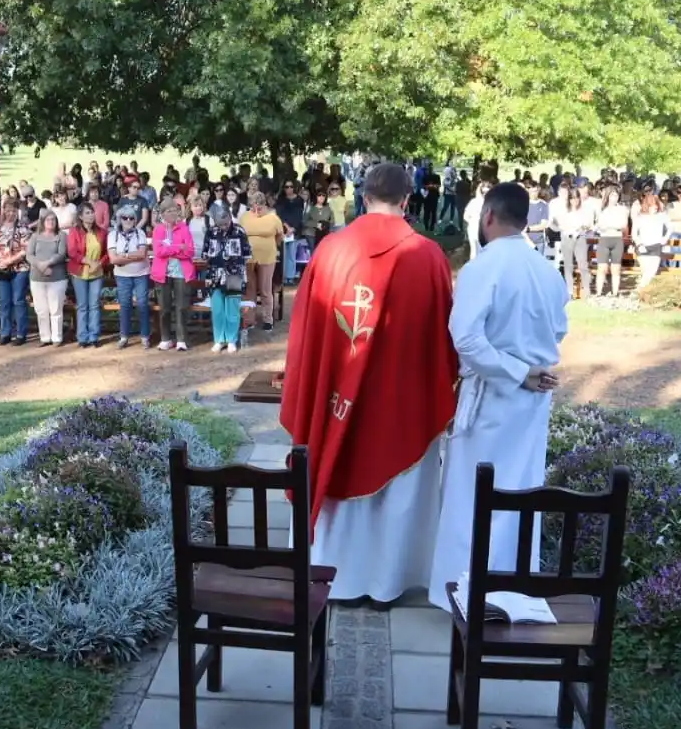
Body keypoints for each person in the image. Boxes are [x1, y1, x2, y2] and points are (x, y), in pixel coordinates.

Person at [281, 162, 458, 603]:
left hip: (334, 397)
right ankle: (387, 580)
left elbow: (304, 331)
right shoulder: (427, 256)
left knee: (332, 453)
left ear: (363, 197)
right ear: (407, 200)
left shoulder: (330, 250)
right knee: (396, 471)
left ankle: (328, 569)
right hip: (398, 402)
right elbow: (444, 337)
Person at [427, 182, 570, 611]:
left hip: (492, 395)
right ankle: (509, 589)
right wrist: (529, 368)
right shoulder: (548, 270)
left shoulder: (482, 267)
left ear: (487, 216)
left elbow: (466, 339)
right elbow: (558, 329)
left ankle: (463, 590)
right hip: (530, 398)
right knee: (519, 490)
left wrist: (514, 370)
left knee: (476, 493)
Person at [150, 199, 195, 351]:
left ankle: (181, 339)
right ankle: (166, 338)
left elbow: (189, 251)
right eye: (168, 211)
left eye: (174, 210)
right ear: (162, 214)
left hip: (181, 272)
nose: (172, 213)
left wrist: (170, 248)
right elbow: (158, 252)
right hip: (162, 273)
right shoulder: (158, 230)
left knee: (181, 306)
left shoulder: (184, 228)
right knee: (165, 307)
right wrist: (178, 248)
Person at [203, 205, 249, 352]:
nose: (223, 226)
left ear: (230, 217)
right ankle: (219, 339)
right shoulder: (211, 232)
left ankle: (231, 339)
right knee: (217, 309)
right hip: (214, 274)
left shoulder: (239, 231)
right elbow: (205, 253)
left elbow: (247, 254)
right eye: (220, 224)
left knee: (232, 308)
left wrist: (233, 264)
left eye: (226, 222)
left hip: (234, 274)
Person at [108, 205, 151, 349]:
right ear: (119, 219)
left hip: (141, 274)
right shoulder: (112, 235)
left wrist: (124, 256)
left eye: (131, 218)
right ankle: (124, 336)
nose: (128, 220)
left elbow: (142, 255)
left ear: (135, 219)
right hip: (122, 276)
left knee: (143, 304)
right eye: (125, 217)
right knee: (125, 305)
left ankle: (145, 336)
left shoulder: (141, 233)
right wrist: (133, 256)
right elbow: (113, 260)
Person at [242, 191, 284, 332]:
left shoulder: (273, 218)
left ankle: (268, 319)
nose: (256, 211)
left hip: (267, 258)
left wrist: (270, 246)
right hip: (248, 258)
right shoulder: (245, 217)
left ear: (264, 205)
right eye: (253, 207)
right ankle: (249, 319)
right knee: (250, 289)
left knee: (265, 289)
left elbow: (280, 236)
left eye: (259, 208)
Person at [0, 198, 31, 345]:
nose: (10, 213)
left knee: (18, 300)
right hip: (2, 269)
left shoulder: (23, 227)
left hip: (19, 268)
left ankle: (21, 333)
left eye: (13, 211)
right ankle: (5, 332)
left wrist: (10, 261)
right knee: (4, 301)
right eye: (8, 210)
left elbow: (25, 250)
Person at [67, 202, 107, 348]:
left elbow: (107, 252)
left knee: (94, 304)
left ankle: (94, 336)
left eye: (92, 212)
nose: (91, 215)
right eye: (88, 213)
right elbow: (72, 252)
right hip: (79, 273)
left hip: (97, 272)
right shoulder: (74, 231)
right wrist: (88, 262)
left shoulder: (102, 232)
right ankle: (82, 337)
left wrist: (99, 263)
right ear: (81, 216)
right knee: (83, 305)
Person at [27, 210, 68, 347]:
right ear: (42, 222)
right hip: (37, 278)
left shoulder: (61, 236)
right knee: (41, 309)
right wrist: (40, 266)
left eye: (53, 219)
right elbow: (29, 255)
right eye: (48, 219)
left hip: (57, 277)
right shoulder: (35, 236)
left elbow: (61, 254)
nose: (51, 222)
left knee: (55, 309)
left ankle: (57, 337)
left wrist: (48, 263)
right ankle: (45, 337)